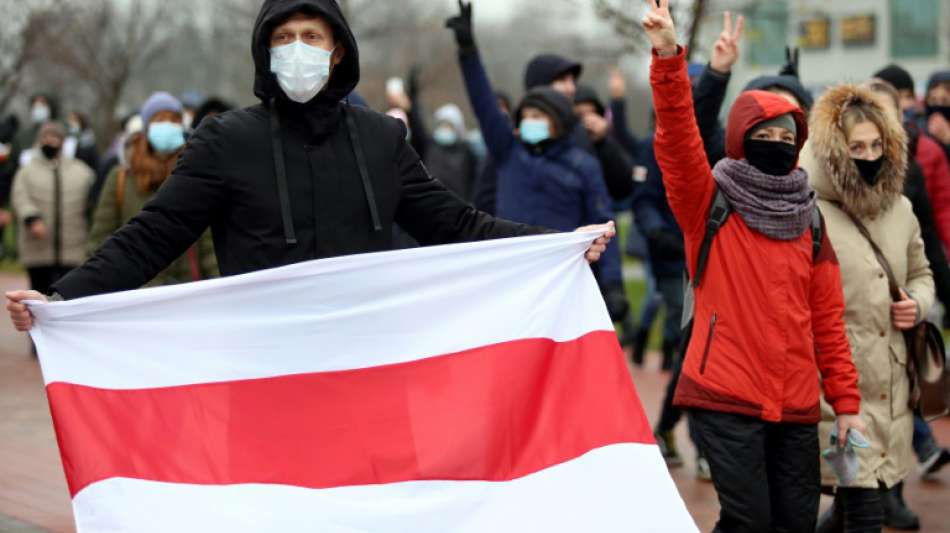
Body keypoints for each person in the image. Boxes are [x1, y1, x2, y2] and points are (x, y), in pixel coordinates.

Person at [6, 0, 613, 330]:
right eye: (284, 37)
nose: (297, 48)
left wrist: (557, 244)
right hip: (262, 361)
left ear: (337, 49)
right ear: (265, 50)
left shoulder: (381, 140)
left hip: (364, 355)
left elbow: (457, 225)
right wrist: (62, 297)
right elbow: (153, 234)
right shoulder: (225, 141)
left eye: (312, 36)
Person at [642, 2, 864, 532]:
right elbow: (677, 139)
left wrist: (846, 402)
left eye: (787, 139)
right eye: (764, 136)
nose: (776, 146)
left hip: (795, 403)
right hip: (724, 395)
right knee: (749, 522)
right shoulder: (708, 201)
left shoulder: (809, 218)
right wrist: (669, 57)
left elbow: (828, 322)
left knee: (795, 524)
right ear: (742, 139)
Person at [801, 82, 935, 532]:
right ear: (834, 150)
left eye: (877, 145)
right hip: (835, 389)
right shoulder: (808, 213)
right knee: (864, 514)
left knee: (850, 509)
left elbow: (922, 274)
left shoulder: (901, 209)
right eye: (857, 147)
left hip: (891, 387)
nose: (869, 155)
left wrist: (917, 303)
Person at [447, 0, 627, 322]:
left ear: (558, 122)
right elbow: (484, 103)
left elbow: (603, 224)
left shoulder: (582, 165)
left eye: (538, 116)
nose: (530, 122)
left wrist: (613, 285)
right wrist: (468, 52)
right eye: (526, 116)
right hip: (510, 277)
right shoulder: (509, 153)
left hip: (561, 282)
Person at [88, 92, 217, 288]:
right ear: (147, 127)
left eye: (174, 120)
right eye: (160, 120)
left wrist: (221, 285)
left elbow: (208, 245)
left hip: (186, 290)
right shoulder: (121, 178)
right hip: (136, 292)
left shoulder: (193, 173)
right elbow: (100, 239)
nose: (168, 126)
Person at [10, 122, 95, 297]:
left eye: (54, 137)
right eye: (45, 137)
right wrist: (32, 218)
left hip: (72, 248)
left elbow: (94, 200)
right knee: (38, 296)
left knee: (68, 296)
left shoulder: (82, 172)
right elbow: (20, 197)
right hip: (37, 248)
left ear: (63, 141)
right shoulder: (26, 172)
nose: (50, 141)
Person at [876, 64, 950, 253]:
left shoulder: (927, 150)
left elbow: (941, 211)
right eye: (896, 97)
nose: (903, 104)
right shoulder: (861, 151)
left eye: (907, 97)